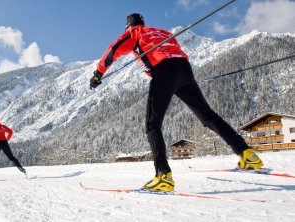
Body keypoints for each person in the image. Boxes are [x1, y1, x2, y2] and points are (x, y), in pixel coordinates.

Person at [89, 13, 263, 192]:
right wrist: (178, 80)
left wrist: (98, 74)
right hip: (184, 70)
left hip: (164, 71)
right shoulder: (162, 32)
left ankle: (163, 176)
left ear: (129, 26)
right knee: (208, 116)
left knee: (152, 124)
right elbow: (173, 52)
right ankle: (246, 153)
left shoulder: (135, 32)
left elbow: (113, 50)